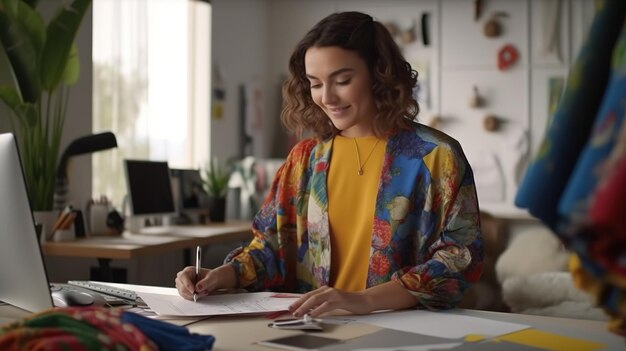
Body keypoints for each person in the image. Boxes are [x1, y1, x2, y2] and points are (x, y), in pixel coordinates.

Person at [176, 11, 483, 318]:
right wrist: (219, 276)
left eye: (342, 80)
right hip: (311, 329)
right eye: (315, 84)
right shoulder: (304, 160)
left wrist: (364, 300)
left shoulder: (437, 157)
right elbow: (272, 247)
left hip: (400, 329)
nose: (327, 97)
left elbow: (458, 259)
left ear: (379, 74)